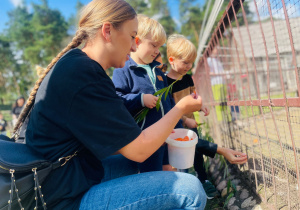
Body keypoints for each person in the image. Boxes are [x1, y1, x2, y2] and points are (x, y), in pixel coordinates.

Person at [15, 1, 206, 209]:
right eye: (133, 37)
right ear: (108, 31)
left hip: (69, 176)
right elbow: (139, 149)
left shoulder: (78, 66)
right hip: (62, 197)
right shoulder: (85, 76)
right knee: (189, 190)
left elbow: (120, 143)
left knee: (144, 166)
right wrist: (181, 108)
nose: (134, 46)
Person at [166, 34, 248, 199]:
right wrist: (184, 119)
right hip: (177, 125)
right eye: (185, 62)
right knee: (181, 155)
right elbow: (169, 108)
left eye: (191, 62)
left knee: (197, 152)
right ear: (171, 59)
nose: (188, 66)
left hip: (191, 122)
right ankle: (185, 182)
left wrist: (200, 105)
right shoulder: (166, 83)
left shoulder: (188, 78)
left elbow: (193, 94)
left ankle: (202, 179)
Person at [112, 14, 180, 173]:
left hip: (166, 136)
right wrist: (140, 99)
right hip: (144, 138)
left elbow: (169, 102)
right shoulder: (124, 69)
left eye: (159, 47)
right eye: (154, 45)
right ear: (137, 41)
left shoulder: (158, 70)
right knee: (151, 173)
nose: (157, 51)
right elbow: (117, 100)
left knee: (169, 169)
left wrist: (177, 126)